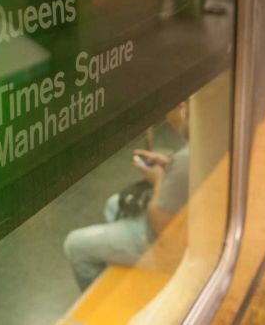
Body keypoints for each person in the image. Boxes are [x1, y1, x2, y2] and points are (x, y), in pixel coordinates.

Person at [63, 102, 190, 290]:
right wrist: (167, 164)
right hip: (185, 223)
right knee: (113, 204)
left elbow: (160, 225)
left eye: (184, 107)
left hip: (168, 248)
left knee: (74, 245)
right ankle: (119, 264)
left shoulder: (185, 160)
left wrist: (159, 179)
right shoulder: (197, 150)